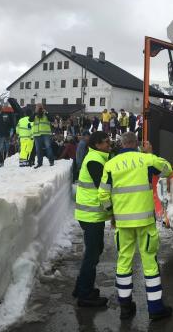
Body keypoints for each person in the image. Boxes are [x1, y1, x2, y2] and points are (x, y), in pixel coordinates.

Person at [98, 132, 173, 321]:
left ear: (121, 144)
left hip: (122, 223)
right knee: (149, 263)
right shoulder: (146, 160)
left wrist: (112, 215)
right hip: (145, 223)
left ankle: (125, 308)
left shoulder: (110, 165)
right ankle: (155, 309)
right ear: (137, 144)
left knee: (124, 262)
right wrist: (150, 154)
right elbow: (167, 169)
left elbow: (103, 196)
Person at [73, 131, 112, 307]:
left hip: (92, 214)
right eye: (106, 142)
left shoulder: (99, 157)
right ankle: (85, 294)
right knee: (92, 254)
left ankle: (81, 287)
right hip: (90, 215)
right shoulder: (95, 160)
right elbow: (103, 188)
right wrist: (113, 211)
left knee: (95, 251)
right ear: (97, 145)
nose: (109, 144)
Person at [30, 103, 55, 168]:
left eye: (39, 107)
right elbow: (30, 119)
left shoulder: (46, 114)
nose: (38, 108)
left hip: (45, 133)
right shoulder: (35, 114)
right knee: (38, 149)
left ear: (42, 107)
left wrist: (46, 112)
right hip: (37, 134)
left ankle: (51, 161)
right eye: (37, 107)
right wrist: (34, 113)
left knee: (48, 147)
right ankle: (39, 163)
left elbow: (52, 119)